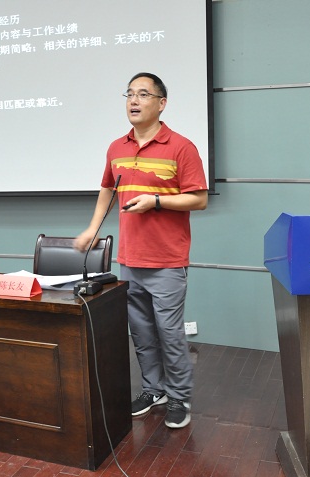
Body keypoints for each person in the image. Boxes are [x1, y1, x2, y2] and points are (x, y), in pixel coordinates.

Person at [75, 72, 208, 429]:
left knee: (170, 334)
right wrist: (92, 228)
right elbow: (107, 189)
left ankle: (179, 397)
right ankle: (154, 390)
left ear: (161, 103)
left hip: (166, 260)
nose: (134, 101)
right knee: (142, 333)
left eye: (143, 94)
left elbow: (199, 199)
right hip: (130, 259)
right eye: (130, 94)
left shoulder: (181, 147)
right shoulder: (116, 147)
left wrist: (156, 201)